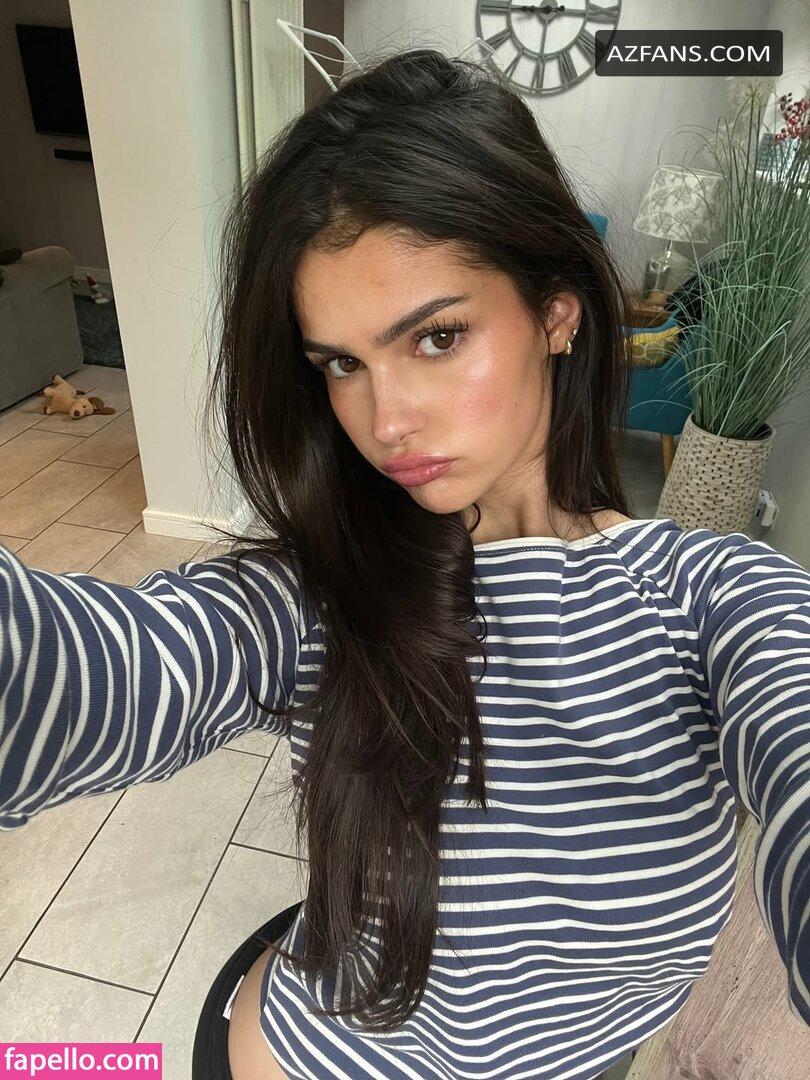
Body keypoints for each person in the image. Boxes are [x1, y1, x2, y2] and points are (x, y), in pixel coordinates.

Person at [1, 47, 809, 1080]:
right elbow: (97, 670)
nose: (384, 420)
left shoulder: (715, 604)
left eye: (435, 338)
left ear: (556, 311)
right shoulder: (318, 596)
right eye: (341, 363)